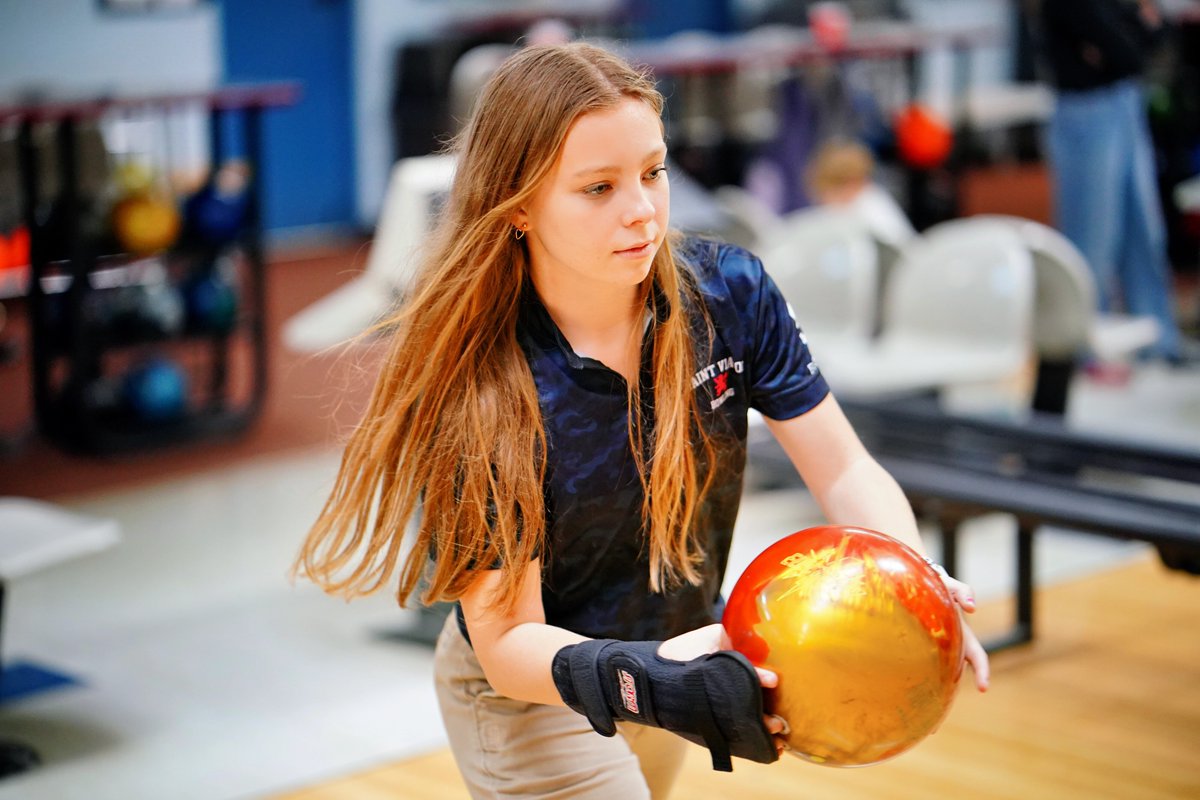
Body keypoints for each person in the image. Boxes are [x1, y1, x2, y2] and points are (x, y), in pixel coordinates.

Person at [293, 42, 988, 799]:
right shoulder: (484, 381)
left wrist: (916, 592)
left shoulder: (729, 294)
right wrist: (651, 684)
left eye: (653, 172)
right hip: (534, 693)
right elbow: (508, 643)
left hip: (671, 656)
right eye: (598, 188)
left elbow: (845, 467)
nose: (642, 210)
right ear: (520, 204)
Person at [1037, 0, 1185, 363]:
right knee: (1092, 238)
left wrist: (1131, 33)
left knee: (1144, 233)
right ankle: (1084, 348)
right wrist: (1132, 31)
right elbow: (1126, 51)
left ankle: (1157, 339)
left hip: (1125, 102)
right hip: (1084, 112)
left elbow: (1147, 40)